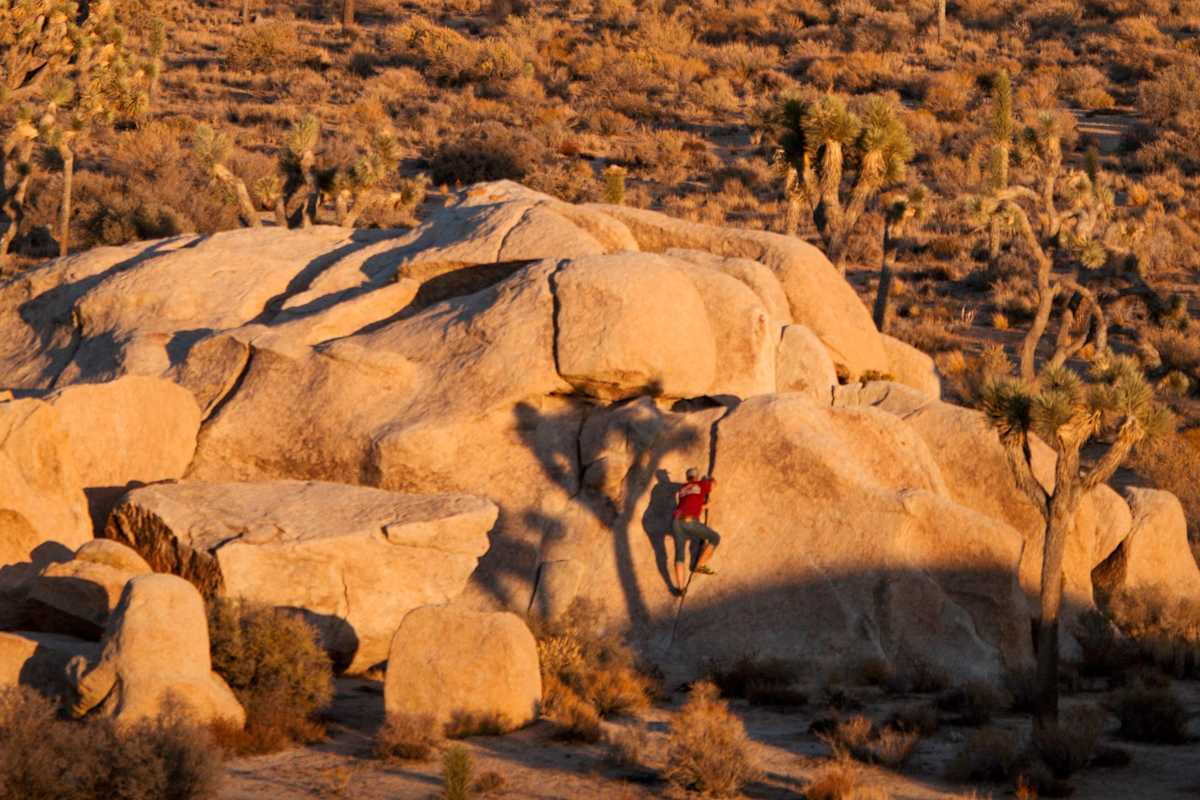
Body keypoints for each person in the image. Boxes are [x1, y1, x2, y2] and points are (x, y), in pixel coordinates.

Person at [672, 467, 720, 593]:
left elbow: (690, 503)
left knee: (679, 554)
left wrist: (704, 506)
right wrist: (708, 479)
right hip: (689, 521)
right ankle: (699, 566)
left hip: (676, 522)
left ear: (687, 478)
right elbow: (714, 483)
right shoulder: (700, 484)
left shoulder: (682, 489)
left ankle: (680, 588)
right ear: (697, 477)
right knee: (715, 538)